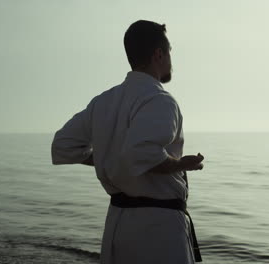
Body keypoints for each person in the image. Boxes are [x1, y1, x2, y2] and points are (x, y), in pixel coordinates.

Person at [51, 20, 204, 263]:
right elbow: (141, 154)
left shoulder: (103, 102)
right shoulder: (160, 100)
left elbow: (63, 146)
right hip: (158, 232)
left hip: (117, 227)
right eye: (170, 52)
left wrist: (106, 156)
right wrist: (181, 164)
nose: (171, 61)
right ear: (159, 54)